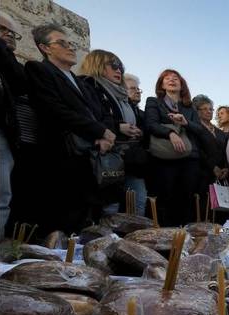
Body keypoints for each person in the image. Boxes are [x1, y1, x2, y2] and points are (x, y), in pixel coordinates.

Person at [24, 23, 116, 236]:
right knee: (60, 219)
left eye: (71, 43)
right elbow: (53, 108)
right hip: (59, 155)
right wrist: (98, 131)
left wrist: (103, 134)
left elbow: (96, 111)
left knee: (83, 216)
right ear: (45, 48)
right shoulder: (38, 69)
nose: (71, 48)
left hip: (87, 157)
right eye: (62, 43)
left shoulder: (78, 80)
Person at [79, 49, 142, 215]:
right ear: (97, 65)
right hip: (103, 157)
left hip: (126, 157)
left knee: (134, 206)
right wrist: (118, 127)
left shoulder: (120, 95)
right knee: (107, 209)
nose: (119, 70)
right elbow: (90, 116)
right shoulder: (88, 85)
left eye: (120, 66)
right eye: (113, 65)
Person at [144, 69, 208, 226]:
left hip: (188, 159)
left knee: (186, 200)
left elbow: (200, 130)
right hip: (163, 158)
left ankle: (183, 238)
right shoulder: (153, 101)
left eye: (176, 78)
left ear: (182, 85)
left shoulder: (189, 108)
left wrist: (185, 122)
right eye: (167, 78)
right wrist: (171, 133)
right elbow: (150, 124)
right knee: (164, 198)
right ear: (162, 84)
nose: (172, 80)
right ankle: (165, 238)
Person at [0, 11, 28, 240]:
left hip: (3, 134)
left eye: (12, 33)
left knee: (1, 197)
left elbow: (20, 83)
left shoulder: (8, 62)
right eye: (1, 29)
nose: (8, 36)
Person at [122, 73, 149, 216]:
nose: (137, 91)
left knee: (138, 206)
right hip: (114, 163)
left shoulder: (142, 113)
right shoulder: (115, 108)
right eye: (133, 88)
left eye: (138, 89)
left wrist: (142, 133)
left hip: (135, 165)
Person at [192, 94, 228, 194]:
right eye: (204, 109)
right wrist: (212, 167)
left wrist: (226, 167)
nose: (209, 111)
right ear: (197, 110)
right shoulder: (194, 128)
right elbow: (198, 150)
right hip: (202, 174)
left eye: (211, 109)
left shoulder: (220, 132)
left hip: (221, 175)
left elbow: (226, 151)